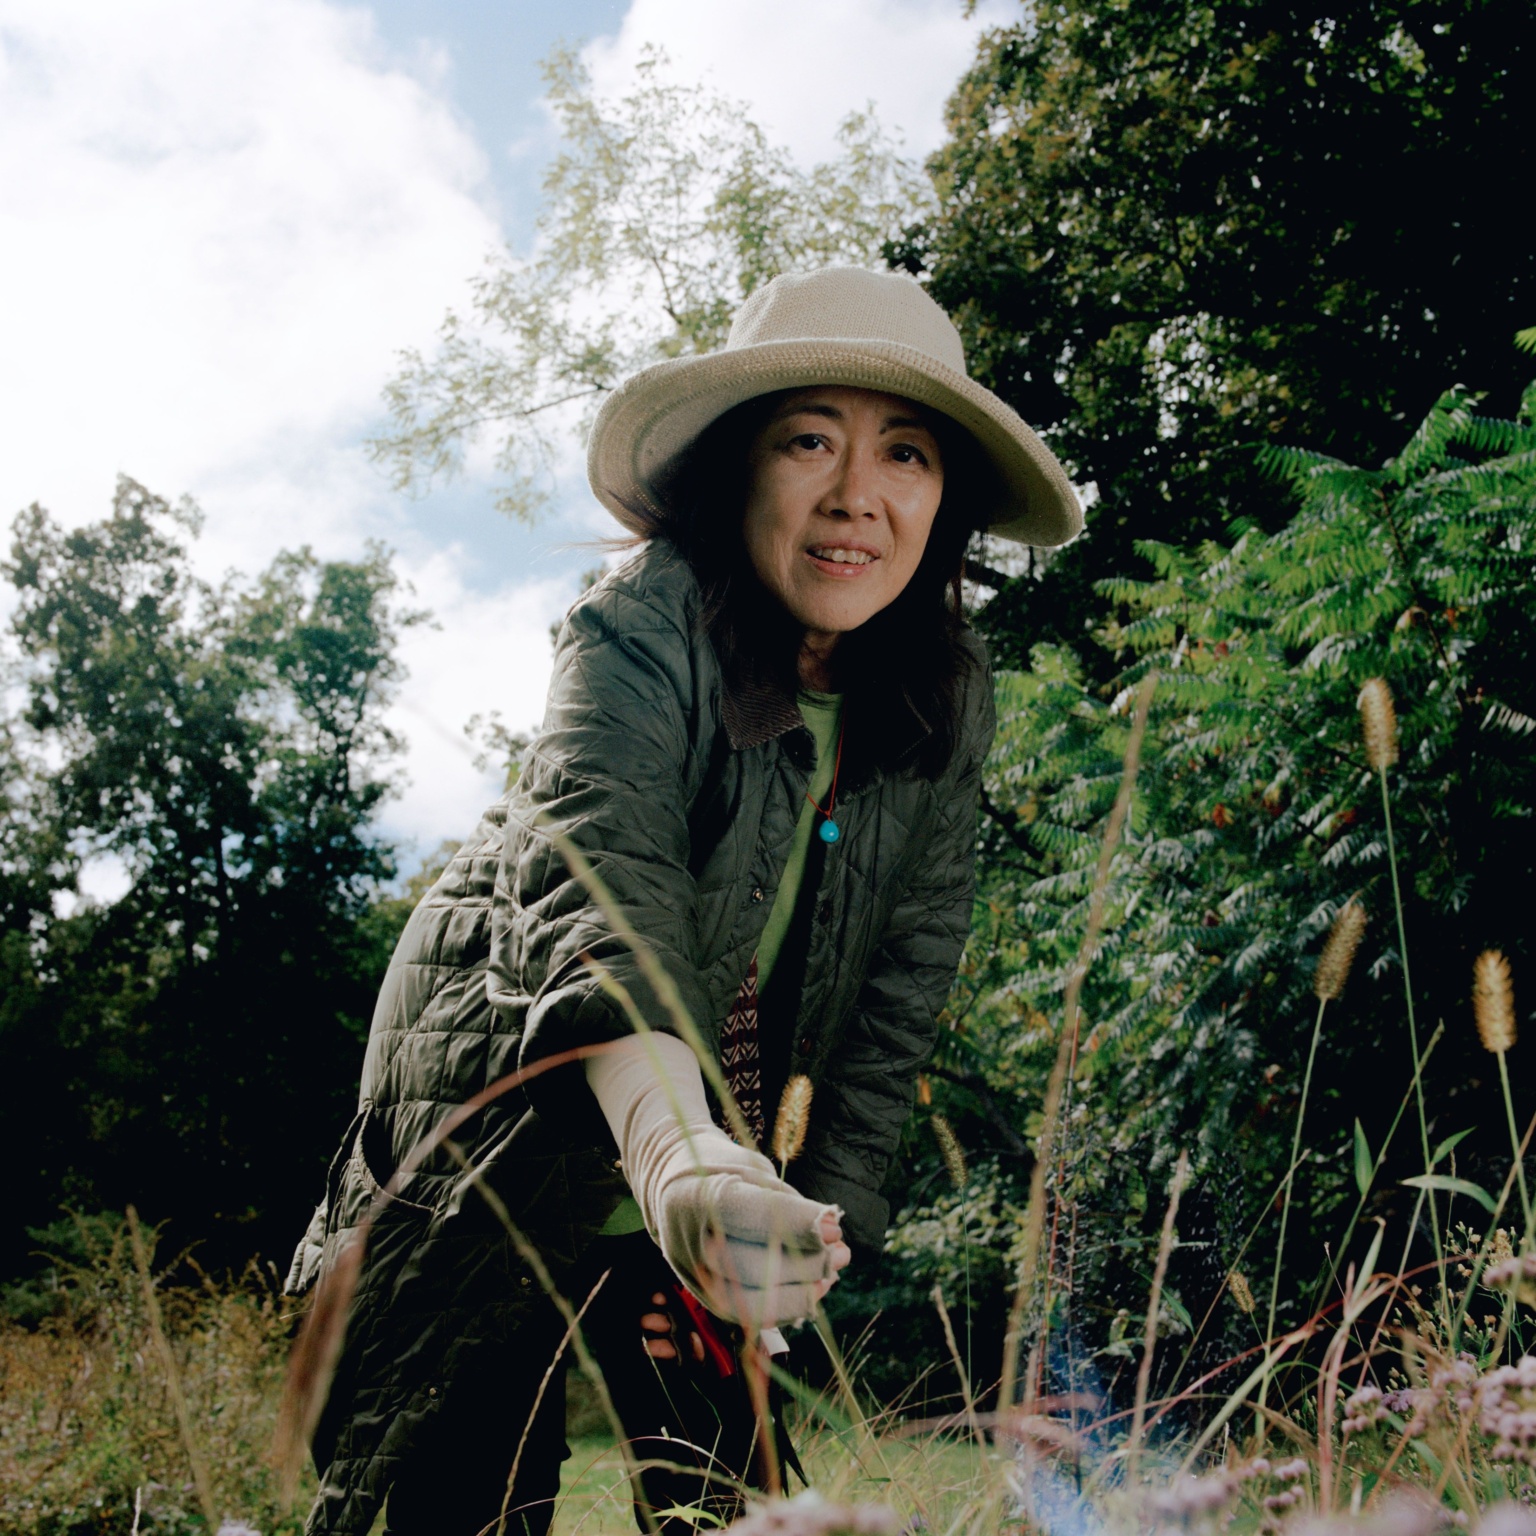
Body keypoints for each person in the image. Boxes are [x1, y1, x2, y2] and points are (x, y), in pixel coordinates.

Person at [285, 266, 1081, 1536]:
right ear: (736, 466)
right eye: (808, 439)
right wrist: (678, 1162)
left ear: (946, 503)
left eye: (908, 455)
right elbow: (610, 895)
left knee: (732, 1500)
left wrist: (804, 1245)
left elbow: (898, 993)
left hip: (733, 1151)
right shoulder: (633, 629)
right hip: (510, 1117)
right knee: (471, 1493)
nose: (856, 498)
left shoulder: (946, 699)